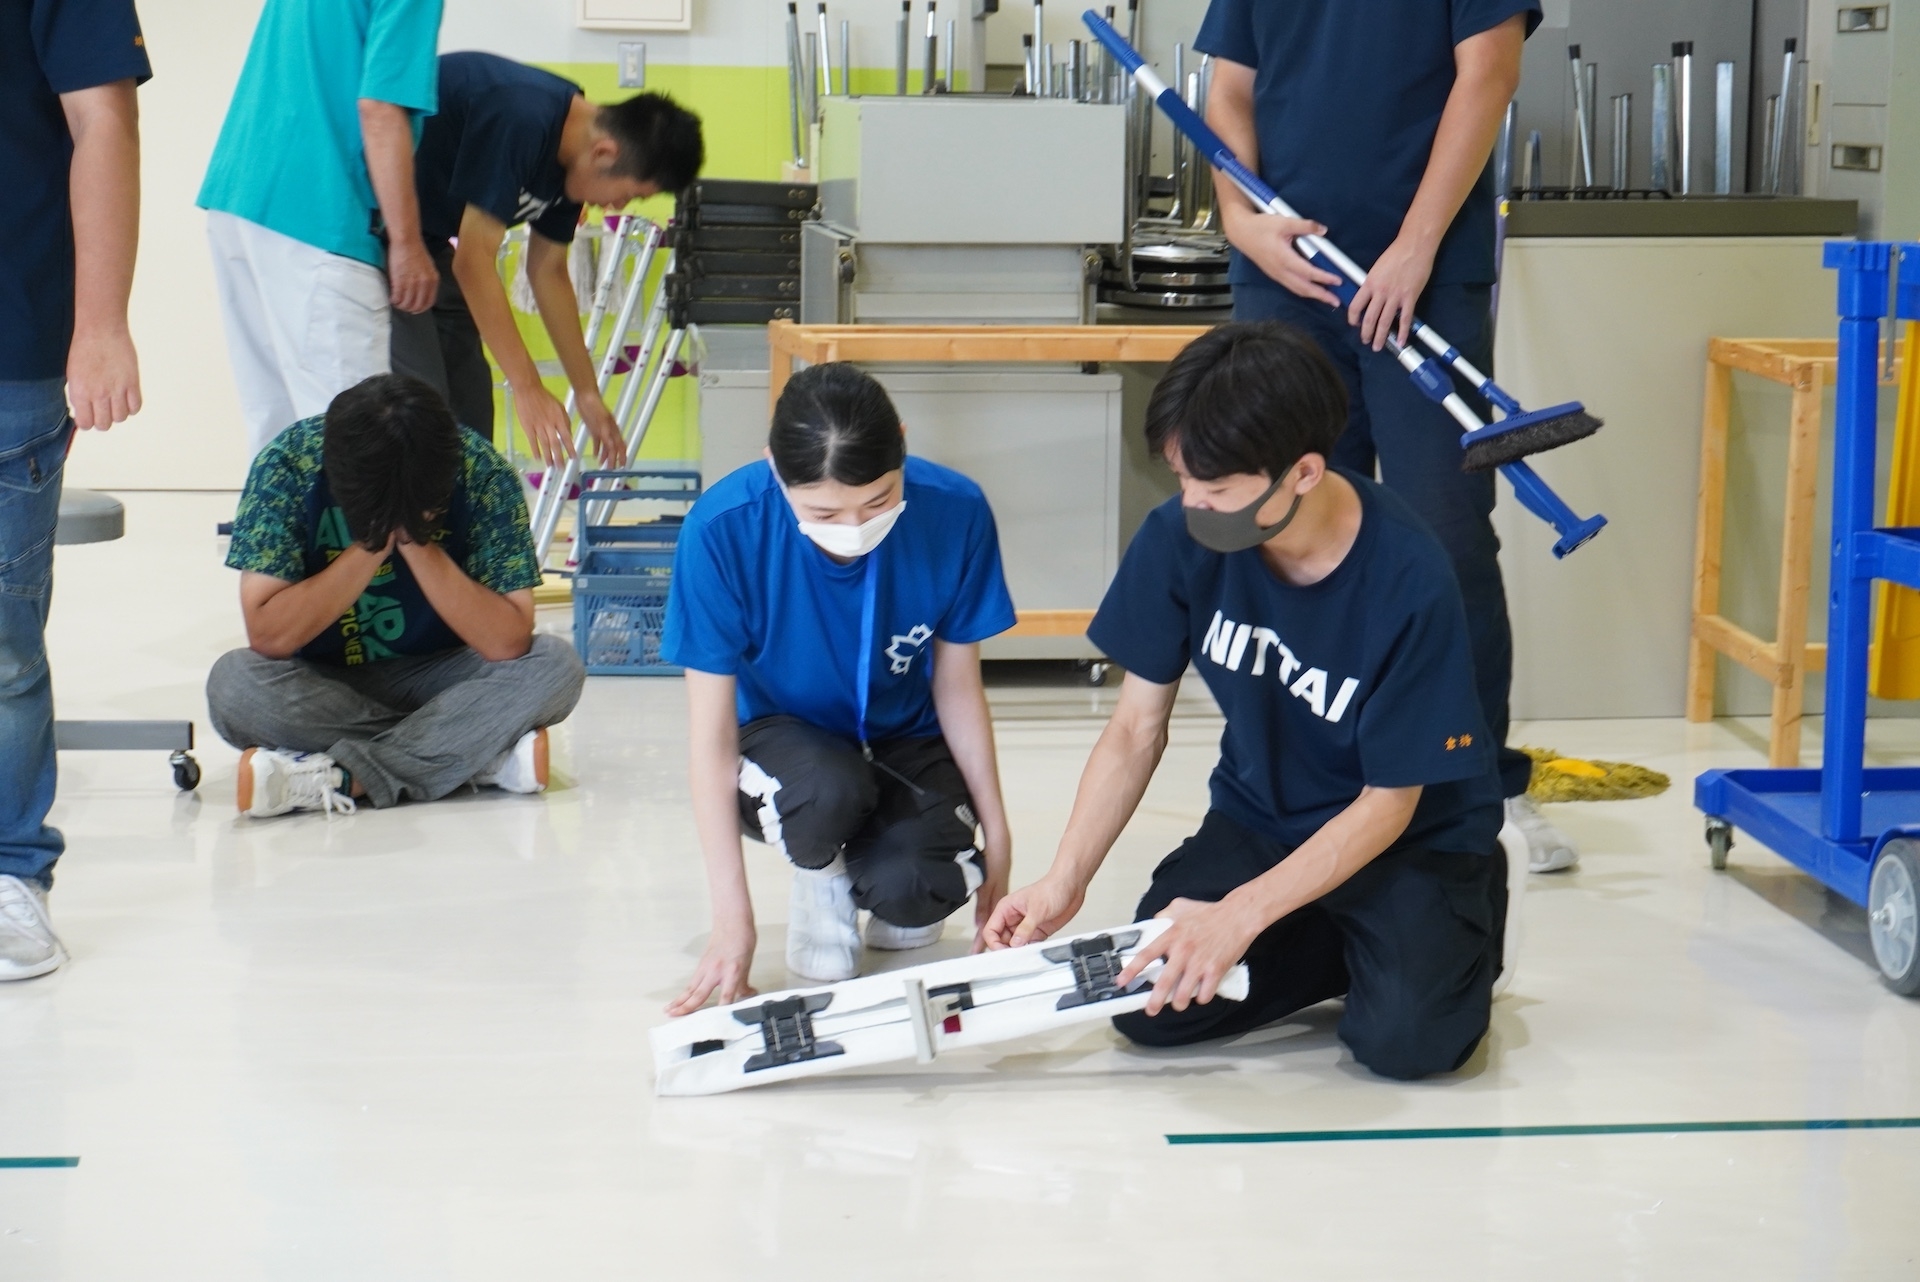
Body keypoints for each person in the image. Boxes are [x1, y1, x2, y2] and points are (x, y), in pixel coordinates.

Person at [984, 323, 1508, 1081]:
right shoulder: (1179, 536)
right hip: (1262, 818)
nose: (1193, 505)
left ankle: (1446, 933)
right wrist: (1065, 879)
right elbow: (1134, 729)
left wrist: (1239, 915)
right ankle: (1337, 940)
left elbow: (1390, 804)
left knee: (1409, 1044)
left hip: (1407, 839)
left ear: (1303, 472)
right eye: (1183, 480)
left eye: (1219, 490)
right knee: (1146, 1008)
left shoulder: (1410, 578)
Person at [1196, 0, 1576, 873]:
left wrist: (1415, 245)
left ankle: (1478, 787)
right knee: (1281, 533)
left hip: (1423, 277)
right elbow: (1231, 90)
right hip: (1285, 274)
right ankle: (1303, 785)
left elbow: (1490, 72)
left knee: (1444, 536)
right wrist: (1242, 222)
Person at [660, 363, 1017, 1012]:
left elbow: (959, 688)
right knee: (827, 791)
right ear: (774, 468)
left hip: (903, 735)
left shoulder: (956, 510)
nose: (854, 528)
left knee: (915, 887)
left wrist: (1000, 838)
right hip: (780, 745)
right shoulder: (722, 530)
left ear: (902, 445)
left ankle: (879, 873)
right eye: (824, 512)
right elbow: (710, 737)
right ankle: (820, 872)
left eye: (878, 502)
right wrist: (733, 922)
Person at [207, 374, 585, 818]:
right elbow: (269, 635)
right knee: (234, 686)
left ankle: (344, 777)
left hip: (445, 674)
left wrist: (414, 537)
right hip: (326, 681)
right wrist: (372, 542)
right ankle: (469, 754)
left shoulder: (480, 470)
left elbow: (508, 642)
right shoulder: (289, 464)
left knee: (555, 666)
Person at [0, 0, 149, 981]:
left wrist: (101, 325)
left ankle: (10, 871)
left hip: (11, 336)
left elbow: (103, 116)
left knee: (2, 644)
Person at [392, 52, 705, 470]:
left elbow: (548, 271)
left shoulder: (574, 160)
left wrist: (587, 394)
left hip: (425, 242)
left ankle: (462, 509)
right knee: (421, 407)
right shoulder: (522, 117)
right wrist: (527, 386)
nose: (617, 205)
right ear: (604, 153)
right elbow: (473, 262)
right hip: (370, 231)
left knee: (469, 409)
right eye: (629, 194)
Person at [197, 0, 442, 460]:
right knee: (358, 438)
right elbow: (380, 108)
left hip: (241, 194)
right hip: (321, 208)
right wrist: (407, 242)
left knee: (277, 433)